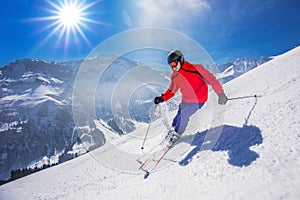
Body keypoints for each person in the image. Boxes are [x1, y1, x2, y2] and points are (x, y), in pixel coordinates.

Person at [154, 50, 228, 147]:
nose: (173, 67)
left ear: (180, 60)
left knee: (184, 115)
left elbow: (211, 79)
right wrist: (162, 98)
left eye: (174, 64)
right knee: (177, 118)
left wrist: (220, 93)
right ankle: (172, 130)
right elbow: (171, 91)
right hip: (186, 100)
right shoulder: (175, 76)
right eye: (170, 65)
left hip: (199, 100)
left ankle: (177, 134)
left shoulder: (196, 68)